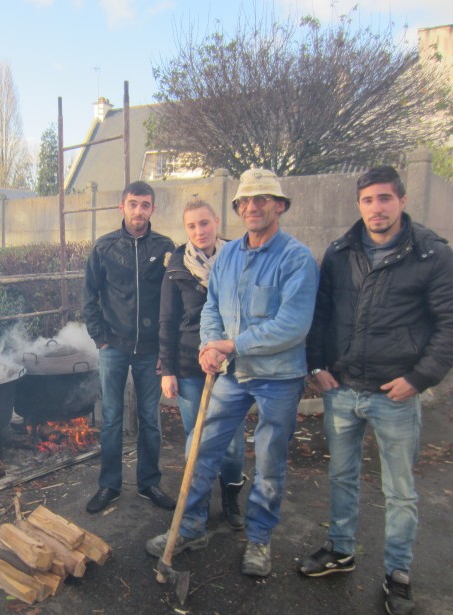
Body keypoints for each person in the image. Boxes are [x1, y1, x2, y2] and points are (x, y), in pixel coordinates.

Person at [298, 166, 453, 615]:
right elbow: (320, 315)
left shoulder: (431, 254)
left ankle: (398, 572)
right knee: (341, 476)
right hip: (342, 389)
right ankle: (341, 549)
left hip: (394, 395)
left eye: (385, 199)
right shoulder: (340, 252)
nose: (377, 208)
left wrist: (418, 378)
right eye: (368, 200)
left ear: (402, 201)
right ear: (359, 205)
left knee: (399, 490)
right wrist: (316, 365)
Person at [145, 168, 318, 579]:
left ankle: (259, 540)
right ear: (238, 208)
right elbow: (212, 309)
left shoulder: (297, 259)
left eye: (263, 199)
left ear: (279, 205)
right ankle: (190, 528)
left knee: (270, 459)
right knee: (198, 446)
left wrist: (231, 345)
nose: (253, 206)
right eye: (246, 200)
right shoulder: (228, 257)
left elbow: (292, 325)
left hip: (278, 377)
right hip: (233, 374)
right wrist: (210, 346)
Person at [83, 180, 177, 514]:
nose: (139, 210)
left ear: (153, 209)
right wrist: (100, 337)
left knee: (150, 419)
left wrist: (167, 352)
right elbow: (89, 295)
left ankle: (149, 483)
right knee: (111, 419)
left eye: (146, 204)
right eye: (133, 203)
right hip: (114, 348)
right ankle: (109, 485)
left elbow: (173, 301)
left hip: (151, 351)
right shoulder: (104, 247)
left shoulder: (166, 248)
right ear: (121, 207)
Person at [158, 198, 248, 530]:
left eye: (205, 223)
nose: (200, 231)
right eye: (192, 226)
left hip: (232, 366)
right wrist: (167, 369)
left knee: (233, 442)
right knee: (195, 437)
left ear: (217, 221)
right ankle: (195, 507)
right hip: (188, 365)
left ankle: (230, 498)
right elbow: (167, 321)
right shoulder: (177, 265)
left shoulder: (240, 258)